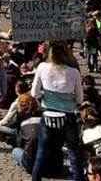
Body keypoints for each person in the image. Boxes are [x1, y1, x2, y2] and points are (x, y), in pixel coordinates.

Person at [30, 41, 85, 181]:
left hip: (48, 113)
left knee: (42, 151)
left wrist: (44, 95)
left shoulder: (42, 67)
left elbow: (34, 93)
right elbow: (79, 99)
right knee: (73, 151)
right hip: (68, 115)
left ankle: (35, 179)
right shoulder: (74, 72)